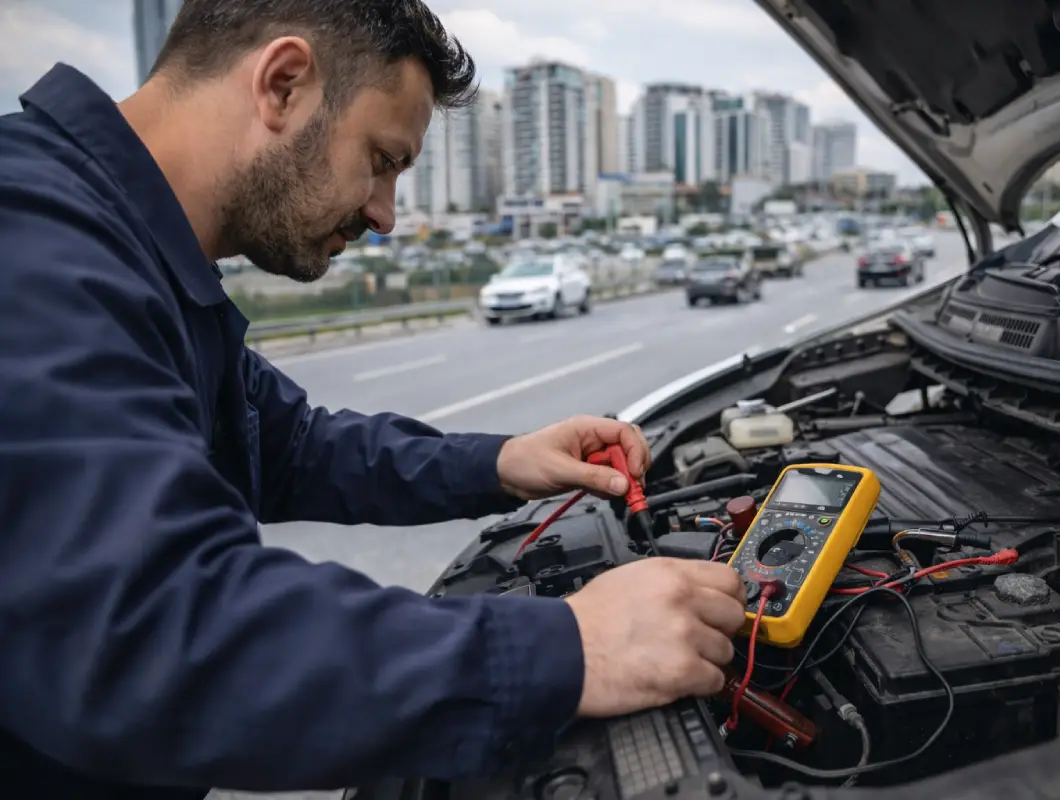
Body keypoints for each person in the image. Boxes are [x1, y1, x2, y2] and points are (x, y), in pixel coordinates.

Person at [0, 0, 747, 797]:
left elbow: (290, 444)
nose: (384, 215)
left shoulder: (131, 249)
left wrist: (501, 462)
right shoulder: (35, 247)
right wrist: (572, 648)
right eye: (383, 159)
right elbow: (151, 630)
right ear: (283, 84)